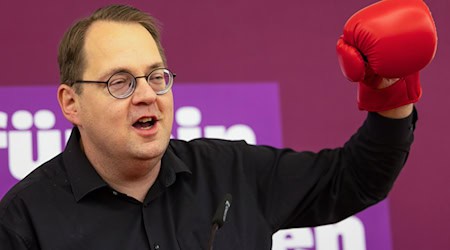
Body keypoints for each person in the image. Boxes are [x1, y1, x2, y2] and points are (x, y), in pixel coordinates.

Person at [0, 0, 437, 249]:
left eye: (156, 76)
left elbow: (356, 180)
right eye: (120, 82)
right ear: (71, 102)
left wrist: (389, 90)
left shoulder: (232, 172)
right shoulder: (23, 221)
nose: (148, 94)